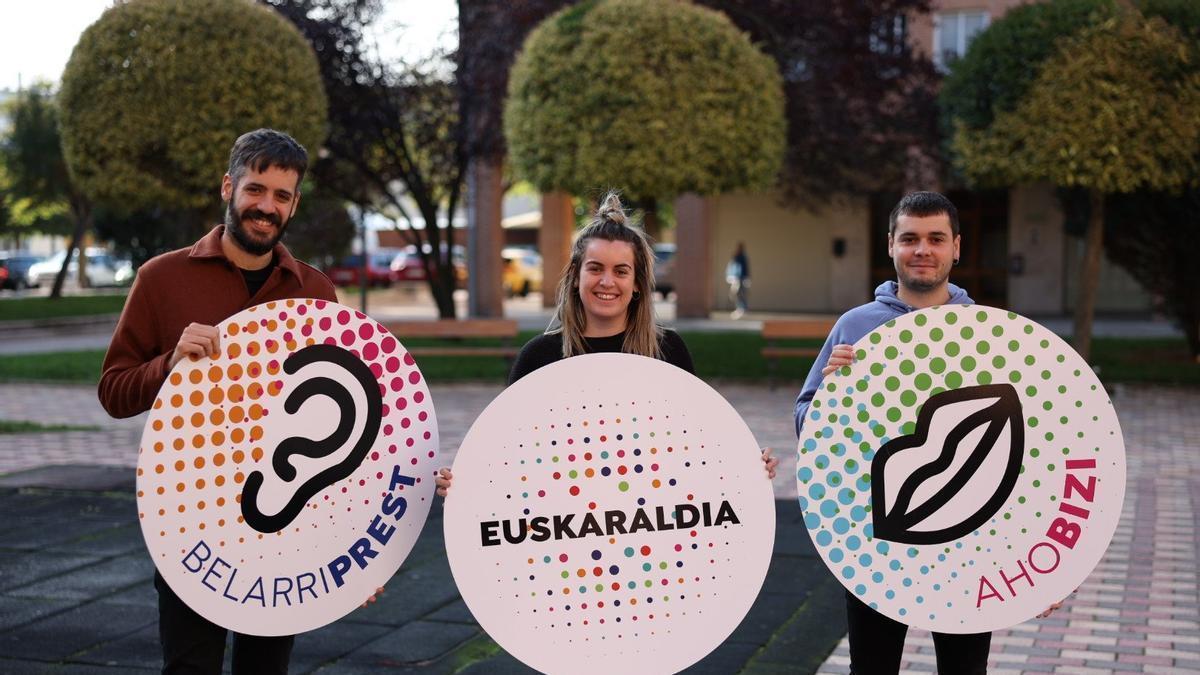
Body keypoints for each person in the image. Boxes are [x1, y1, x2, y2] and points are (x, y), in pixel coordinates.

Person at [98, 129, 341, 674]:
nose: (266, 207)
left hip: (284, 519)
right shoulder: (161, 278)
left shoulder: (316, 293)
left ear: (295, 203)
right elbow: (113, 392)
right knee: (189, 666)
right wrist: (170, 365)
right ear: (228, 187)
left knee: (266, 667)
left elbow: (340, 416)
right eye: (256, 189)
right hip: (190, 514)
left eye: (282, 196)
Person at [793, 191, 1063, 674]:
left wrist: (1047, 564)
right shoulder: (855, 326)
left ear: (956, 247)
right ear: (890, 246)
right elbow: (806, 423)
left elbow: (1034, 441)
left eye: (936, 238)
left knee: (964, 668)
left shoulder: (990, 332)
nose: (923, 250)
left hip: (969, 535)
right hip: (875, 533)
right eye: (910, 239)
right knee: (872, 668)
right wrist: (831, 395)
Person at [437, 193, 777, 495]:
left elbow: (697, 449)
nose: (607, 282)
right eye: (595, 268)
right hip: (564, 538)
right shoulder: (539, 358)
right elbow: (507, 457)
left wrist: (745, 469)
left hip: (650, 529)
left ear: (638, 284)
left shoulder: (667, 351)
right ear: (575, 277)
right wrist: (464, 484)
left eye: (621, 271)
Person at [726, 242, 750, 319]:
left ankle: (741, 310)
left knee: (741, 294)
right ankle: (740, 309)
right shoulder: (736, 257)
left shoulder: (743, 257)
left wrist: (746, 279)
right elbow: (732, 267)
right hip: (737, 279)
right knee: (735, 295)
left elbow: (745, 270)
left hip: (742, 279)